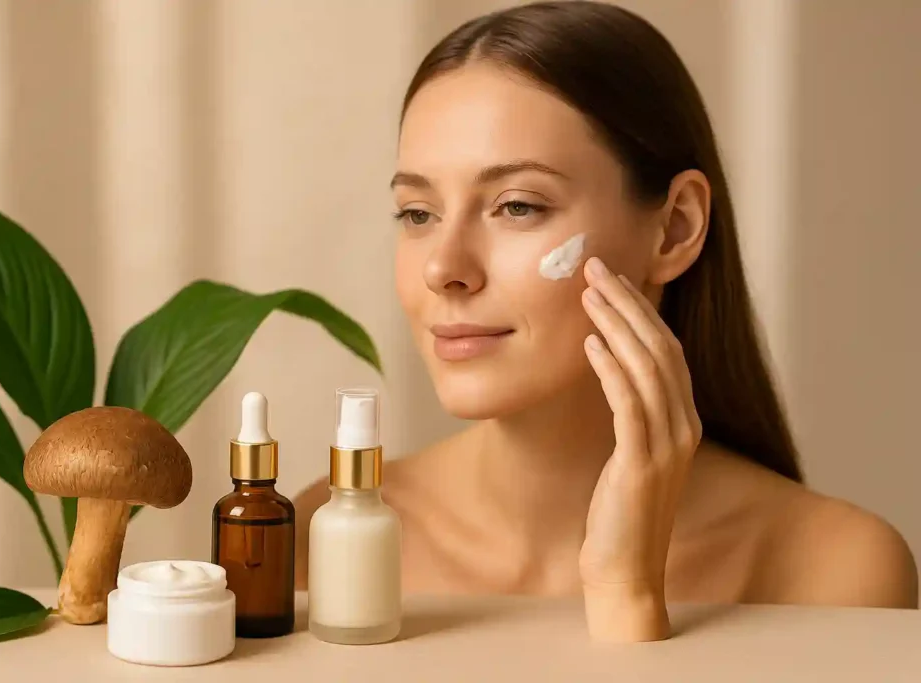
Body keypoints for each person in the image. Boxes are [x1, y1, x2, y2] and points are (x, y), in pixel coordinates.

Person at [294, 0, 918, 641]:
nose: (444, 269)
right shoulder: (319, 539)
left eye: (516, 206)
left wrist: (627, 592)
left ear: (674, 227)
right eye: (418, 214)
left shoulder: (838, 572)